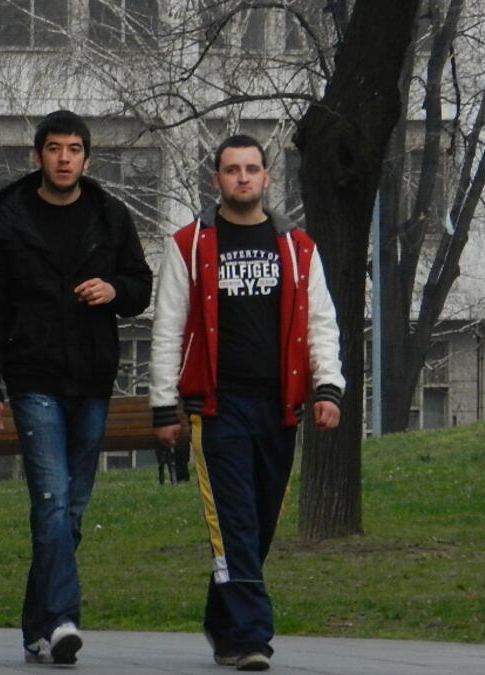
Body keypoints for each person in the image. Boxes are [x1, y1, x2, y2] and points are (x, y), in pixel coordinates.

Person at [149, 134, 344, 671]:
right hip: (217, 408)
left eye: (251, 169)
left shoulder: (298, 247)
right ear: (216, 179)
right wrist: (164, 405)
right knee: (233, 521)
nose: (242, 177)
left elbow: (321, 323)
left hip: (279, 408)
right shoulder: (189, 244)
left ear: (266, 177)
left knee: (258, 526)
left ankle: (223, 622)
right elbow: (168, 327)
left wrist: (328, 388)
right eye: (232, 169)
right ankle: (255, 636)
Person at [0, 110, 153, 665]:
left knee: (70, 510)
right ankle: (65, 619)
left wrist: (113, 289)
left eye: (73, 149)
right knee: (51, 499)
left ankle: (37, 627)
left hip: (92, 379)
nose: (64, 158)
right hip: (32, 378)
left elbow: (140, 286)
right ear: (37, 156)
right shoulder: (10, 218)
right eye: (54, 148)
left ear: (87, 159)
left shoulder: (110, 216)